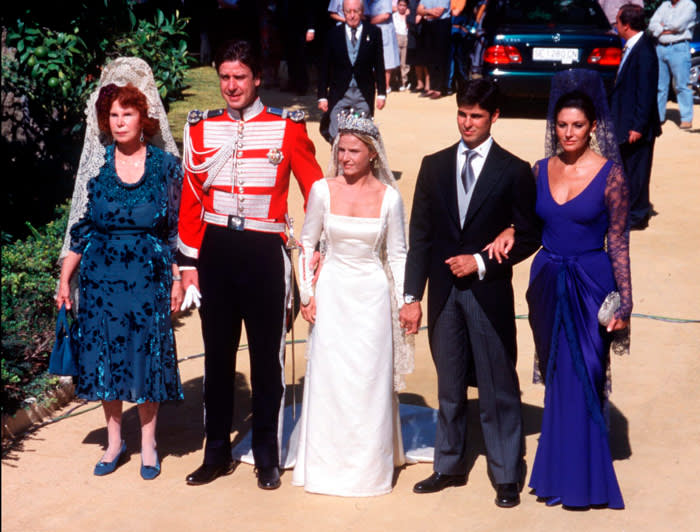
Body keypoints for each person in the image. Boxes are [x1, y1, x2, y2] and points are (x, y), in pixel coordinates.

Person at [177, 40, 323, 490]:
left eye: (240, 77)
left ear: (257, 79)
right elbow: (191, 198)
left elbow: (316, 190)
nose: (231, 86)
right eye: (224, 77)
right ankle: (216, 452)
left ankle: (267, 456)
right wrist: (188, 265)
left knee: (267, 361)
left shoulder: (287, 127)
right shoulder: (201, 128)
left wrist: (315, 249)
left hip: (264, 250)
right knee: (218, 358)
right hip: (217, 249)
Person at [487, 70, 632, 509]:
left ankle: (585, 478)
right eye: (562, 125)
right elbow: (527, 222)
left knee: (587, 373)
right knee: (556, 376)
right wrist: (511, 229)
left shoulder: (611, 177)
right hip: (547, 281)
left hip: (591, 284)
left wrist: (624, 302)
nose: (569, 133)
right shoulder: (538, 170)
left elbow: (620, 244)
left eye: (578, 125)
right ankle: (553, 472)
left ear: (593, 127)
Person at [399, 79, 541, 507]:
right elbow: (419, 235)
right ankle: (449, 465)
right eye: (462, 114)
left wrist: (480, 262)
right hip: (443, 296)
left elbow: (531, 233)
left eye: (476, 116)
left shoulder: (514, 170)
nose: (467, 123)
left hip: (487, 293)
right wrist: (412, 296)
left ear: (494, 117)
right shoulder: (434, 164)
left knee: (498, 386)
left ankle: (505, 472)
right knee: (449, 385)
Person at [56, 57, 184, 480]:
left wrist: (180, 279)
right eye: (113, 115)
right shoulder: (99, 168)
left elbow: (175, 230)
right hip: (101, 278)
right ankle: (115, 442)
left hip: (148, 277)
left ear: (144, 118)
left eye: (127, 114)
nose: (120, 122)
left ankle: (148, 444)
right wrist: (64, 279)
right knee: (104, 359)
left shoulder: (166, 167)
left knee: (147, 358)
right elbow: (83, 228)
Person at [290, 111, 413, 496]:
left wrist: (403, 301)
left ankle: (367, 468)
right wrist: (307, 293)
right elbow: (307, 243)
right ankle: (326, 465)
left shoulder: (390, 198)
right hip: (334, 292)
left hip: (372, 298)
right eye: (340, 150)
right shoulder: (322, 191)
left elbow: (397, 255)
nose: (345, 157)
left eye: (353, 151)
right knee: (331, 380)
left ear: (372, 154)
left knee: (368, 380)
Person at [610, 3, 662, 230]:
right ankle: (628, 210)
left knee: (637, 171)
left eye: (618, 20)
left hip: (638, 126)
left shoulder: (644, 51)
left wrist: (638, 127)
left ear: (627, 24)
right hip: (628, 121)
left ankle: (637, 216)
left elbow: (647, 92)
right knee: (627, 169)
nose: (615, 25)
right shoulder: (633, 46)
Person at [318, 0, 387, 143]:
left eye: (355, 11)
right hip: (340, 93)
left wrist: (381, 93)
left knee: (363, 136)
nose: (352, 15)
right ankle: (337, 163)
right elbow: (324, 67)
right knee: (336, 136)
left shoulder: (373, 32)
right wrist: (322, 96)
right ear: (343, 12)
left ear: (362, 12)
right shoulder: (333, 34)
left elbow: (379, 64)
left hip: (363, 93)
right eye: (348, 11)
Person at [649, 0, 697, 129]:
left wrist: (661, 28)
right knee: (660, 86)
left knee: (682, 85)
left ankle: (686, 118)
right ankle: (659, 117)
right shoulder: (664, 5)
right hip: (660, 48)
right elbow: (652, 24)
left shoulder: (689, 5)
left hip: (679, 47)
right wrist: (665, 29)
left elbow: (678, 26)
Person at [417, 0, 451, 98]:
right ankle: (432, 87)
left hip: (441, 25)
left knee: (440, 57)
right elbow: (418, 10)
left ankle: (439, 89)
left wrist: (425, 13)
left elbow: (438, 13)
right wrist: (428, 13)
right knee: (430, 57)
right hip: (429, 25)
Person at [366, 0, 401, 92]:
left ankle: (386, 85)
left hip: (384, 30)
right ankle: (375, 83)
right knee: (371, 58)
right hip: (371, 30)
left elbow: (386, 15)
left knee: (387, 59)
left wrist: (369, 22)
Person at [393, 0, 411, 90]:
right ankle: (396, 82)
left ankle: (404, 82)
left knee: (405, 63)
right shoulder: (394, 16)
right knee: (396, 63)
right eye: (400, 5)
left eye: (404, 5)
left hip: (406, 38)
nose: (402, 7)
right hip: (397, 37)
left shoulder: (408, 15)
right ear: (397, 5)